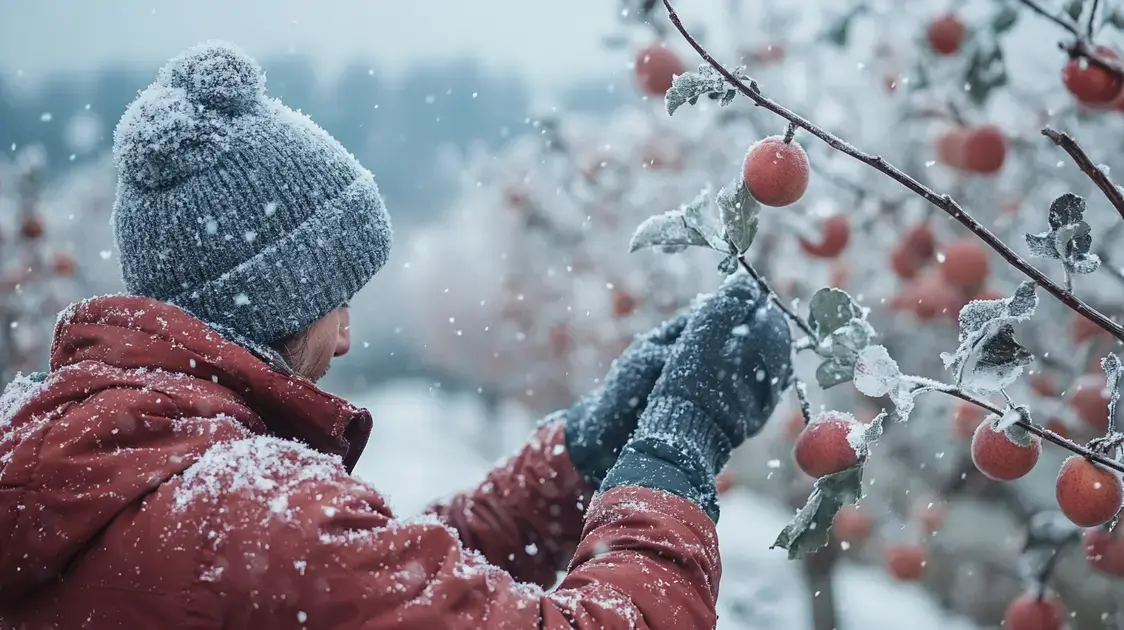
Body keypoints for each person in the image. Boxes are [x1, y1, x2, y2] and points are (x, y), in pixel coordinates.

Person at [0, 42, 793, 629]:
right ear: (275, 298)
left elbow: (385, 581)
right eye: (338, 298)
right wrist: (677, 446)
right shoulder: (251, 518)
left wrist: (580, 452)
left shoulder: (78, 451)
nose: (346, 338)